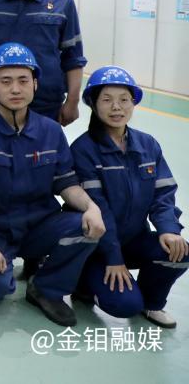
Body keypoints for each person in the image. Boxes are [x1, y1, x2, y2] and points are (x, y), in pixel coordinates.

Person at [0, 42, 105, 326]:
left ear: (35, 84)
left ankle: (46, 288)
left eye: (23, 80)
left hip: (40, 226)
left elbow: (66, 184)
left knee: (86, 226)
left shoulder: (50, 131)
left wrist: (91, 207)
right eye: (6, 81)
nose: (15, 89)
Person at [72, 66, 187, 328]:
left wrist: (168, 229)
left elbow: (163, 194)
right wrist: (113, 258)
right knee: (124, 305)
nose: (117, 107)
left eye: (124, 99)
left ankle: (152, 303)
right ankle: (83, 282)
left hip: (134, 239)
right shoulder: (84, 149)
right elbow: (98, 208)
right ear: (93, 104)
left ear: (133, 103)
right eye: (107, 100)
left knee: (179, 251)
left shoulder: (147, 145)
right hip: (97, 247)